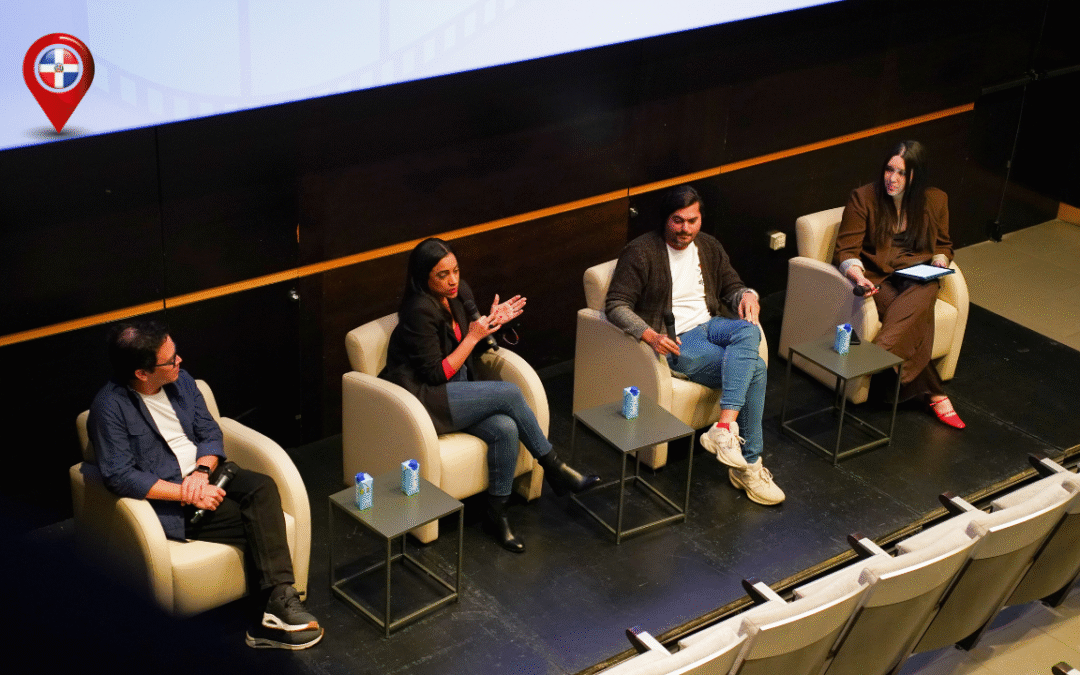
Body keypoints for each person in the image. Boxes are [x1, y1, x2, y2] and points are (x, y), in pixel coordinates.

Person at [87, 320, 323, 650]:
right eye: (170, 360)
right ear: (142, 373)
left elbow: (210, 433)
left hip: (207, 475)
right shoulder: (109, 408)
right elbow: (120, 475)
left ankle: (273, 608)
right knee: (256, 520)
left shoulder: (181, 381)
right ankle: (274, 610)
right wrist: (186, 492)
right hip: (171, 498)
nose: (180, 361)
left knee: (264, 487)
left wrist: (200, 473)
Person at [379, 237, 600, 553]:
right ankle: (556, 468)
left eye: (455, 270)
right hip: (426, 399)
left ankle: (496, 514)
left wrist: (492, 324)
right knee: (510, 394)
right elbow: (435, 373)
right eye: (443, 275)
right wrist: (473, 336)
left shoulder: (459, 294)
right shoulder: (418, 311)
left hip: (457, 389)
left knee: (505, 429)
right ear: (423, 277)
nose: (453, 280)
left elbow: (478, 341)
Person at [605, 185, 784, 506]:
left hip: (711, 324)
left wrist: (746, 295)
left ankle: (724, 428)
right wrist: (650, 335)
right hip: (675, 340)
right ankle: (751, 464)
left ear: (700, 219)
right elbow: (616, 304)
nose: (685, 228)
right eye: (677, 221)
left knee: (749, 331)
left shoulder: (709, 246)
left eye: (692, 220)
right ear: (665, 220)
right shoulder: (641, 251)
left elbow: (732, 285)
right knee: (755, 367)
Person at [835, 140, 965, 429]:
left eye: (901, 173)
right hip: (878, 274)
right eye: (889, 170)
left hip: (916, 270)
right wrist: (858, 276)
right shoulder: (863, 197)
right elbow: (846, 250)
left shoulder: (935, 200)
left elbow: (943, 244)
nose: (891, 179)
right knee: (912, 315)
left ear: (916, 176)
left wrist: (941, 261)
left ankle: (874, 355)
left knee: (929, 288)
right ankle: (936, 393)